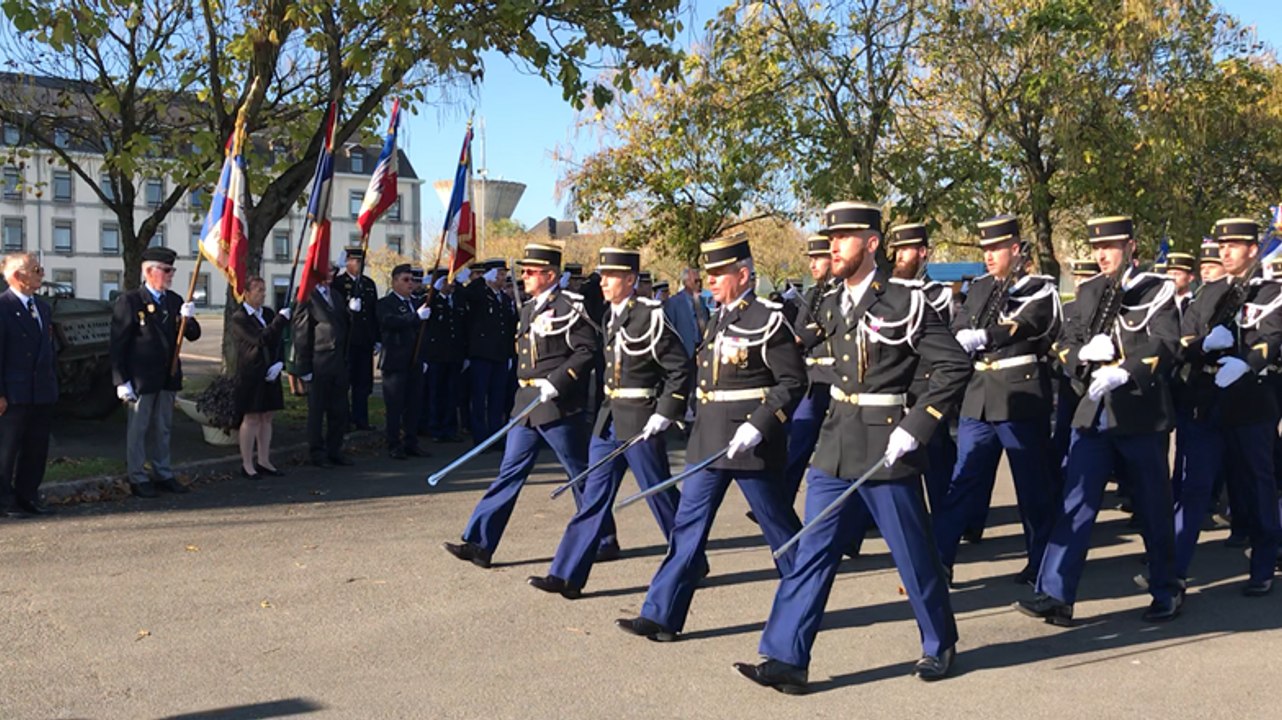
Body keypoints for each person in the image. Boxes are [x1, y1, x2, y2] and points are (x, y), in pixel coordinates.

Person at [735, 201, 972, 694]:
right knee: (813, 551)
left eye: (843, 238)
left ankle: (939, 642)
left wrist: (917, 424)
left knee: (912, 552)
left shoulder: (904, 303)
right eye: (831, 238)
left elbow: (953, 365)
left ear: (872, 243)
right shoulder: (829, 304)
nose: (834, 247)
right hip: (835, 442)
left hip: (886, 444)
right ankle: (786, 657)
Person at [615, 231, 805, 642]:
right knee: (687, 528)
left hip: (750, 444)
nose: (711, 279)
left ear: (744, 274)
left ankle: (805, 600)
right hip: (709, 440)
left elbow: (792, 382)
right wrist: (671, 413)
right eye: (708, 272)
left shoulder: (767, 318)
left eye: (720, 272)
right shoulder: (718, 316)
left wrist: (760, 423)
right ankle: (661, 614)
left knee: (780, 529)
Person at [1016, 216, 1182, 625]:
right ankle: (1056, 593)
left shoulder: (1156, 289)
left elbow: (1166, 343)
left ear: (1131, 246)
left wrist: (1127, 371)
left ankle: (1167, 587)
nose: (1102, 254)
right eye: (1097, 248)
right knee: (1076, 501)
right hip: (1093, 412)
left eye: (1110, 246)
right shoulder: (1089, 291)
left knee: (1152, 505)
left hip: (1140, 412)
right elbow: (1064, 343)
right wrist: (1081, 357)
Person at [528, 247, 695, 598]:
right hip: (608, 420)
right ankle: (566, 574)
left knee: (659, 494)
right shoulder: (608, 316)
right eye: (602, 276)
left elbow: (680, 368)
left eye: (611, 276)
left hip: (640, 418)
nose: (603, 282)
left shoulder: (649, 316)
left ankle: (691, 560)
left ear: (630, 280)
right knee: (593, 497)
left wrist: (665, 411)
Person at [443, 241, 609, 567]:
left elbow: (587, 350)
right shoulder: (529, 307)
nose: (524, 276)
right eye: (524, 271)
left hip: (557, 404)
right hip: (527, 403)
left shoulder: (569, 306)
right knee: (509, 472)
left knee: (579, 474)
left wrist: (558, 381)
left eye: (531, 271)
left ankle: (604, 538)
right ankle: (479, 543)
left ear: (550, 275)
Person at [932, 215, 1061, 585]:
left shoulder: (1039, 289)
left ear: (1015, 249)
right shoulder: (980, 288)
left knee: (1032, 488)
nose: (988, 256)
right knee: (962, 481)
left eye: (996, 249)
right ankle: (939, 561)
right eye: (985, 250)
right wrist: (962, 337)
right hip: (979, 397)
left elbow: (1030, 323)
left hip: (1019, 396)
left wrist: (985, 337)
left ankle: (1041, 566)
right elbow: (960, 325)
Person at [1169, 217, 1281, 596]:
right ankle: (1172, 572)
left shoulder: (1270, 292)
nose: (1225, 252)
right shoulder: (1208, 294)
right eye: (1222, 245)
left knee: (1257, 484)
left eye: (1233, 245)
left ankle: (1263, 564)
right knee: (1194, 488)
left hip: (1250, 400)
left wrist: (1247, 363)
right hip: (1207, 400)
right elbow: (1184, 339)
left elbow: (1271, 337)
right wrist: (1204, 345)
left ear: (1253, 249)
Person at [110, 246, 201, 498]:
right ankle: (137, 476)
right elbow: (118, 344)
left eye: (172, 270)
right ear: (150, 271)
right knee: (138, 429)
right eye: (167, 270)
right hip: (141, 377)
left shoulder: (174, 300)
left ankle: (163, 472)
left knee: (163, 427)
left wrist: (188, 319)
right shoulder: (130, 301)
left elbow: (193, 335)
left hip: (167, 375)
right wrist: (121, 380)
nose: (171, 275)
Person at [779, 234, 837, 506]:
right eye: (811, 259)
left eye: (818, 258)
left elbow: (818, 330)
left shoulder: (842, 293)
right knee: (799, 441)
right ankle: (782, 500)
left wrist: (803, 336)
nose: (813, 264)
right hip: (813, 378)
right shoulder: (812, 294)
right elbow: (800, 329)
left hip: (836, 377)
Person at [0, 253, 58, 517]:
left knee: (36, 448)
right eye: (36, 270)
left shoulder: (42, 308)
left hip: (41, 390)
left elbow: (48, 348)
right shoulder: (3, 307)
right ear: (17, 276)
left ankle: (28, 495)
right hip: (14, 391)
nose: (41, 274)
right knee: (7, 450)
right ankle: (4, 500)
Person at [230, 277, 291, 478]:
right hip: (251, 374)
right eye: (258, 290)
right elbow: (260, 339)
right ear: (246, 293)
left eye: (264, 290)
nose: (263, 294)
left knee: (267, 417)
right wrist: (280, 321)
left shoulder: (268, 313)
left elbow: (278, 341)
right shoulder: (240, 318)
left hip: (270, 371)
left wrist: (280, 362)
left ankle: (264, 460)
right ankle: (247, 463)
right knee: (252, 417)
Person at [292, 266, 353, 468]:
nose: (331, 275)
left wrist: (351, 313)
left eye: (333, 271)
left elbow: (342, 325)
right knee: (317, 410)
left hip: (338, 360)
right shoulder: (306, 294)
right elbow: (301, 330)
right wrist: (304, 366)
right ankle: (317, 452)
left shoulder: (335, 295)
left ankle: (335, 449)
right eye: (327, 271)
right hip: (319, 359)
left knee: (339, 409)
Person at [460, 259, 518, 445]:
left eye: (503, 274)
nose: (503, 278)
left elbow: (508, 329)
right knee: (479, 397)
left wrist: (509, 354)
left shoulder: (504, 299)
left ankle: (495, 435)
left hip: (500, 355)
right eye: (499, 274)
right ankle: (480, 436)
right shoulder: (480, 294)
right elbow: (465, 295)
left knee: (497, 398)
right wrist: (480, 280)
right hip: (482, 354)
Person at [378, 264, 432, 460]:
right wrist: (415, 317)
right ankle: (394, 444)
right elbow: (390, 322)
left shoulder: (417, 303)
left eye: (412, 280)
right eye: (405, 280)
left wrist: (424, 357)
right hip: (395, 362)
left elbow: (423, 334)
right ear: (395, 282)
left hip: (415, 362)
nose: (410, 284)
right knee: (395, 406)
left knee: (414, 405)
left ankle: (411, 442)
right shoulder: (386, 303)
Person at [333, 247, 381, 431]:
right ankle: (344, 421)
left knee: (363, 383)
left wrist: (377, 338)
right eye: (356, 261)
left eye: (361, 261)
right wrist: (348, 308)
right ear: (347, 262)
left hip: (365, 340)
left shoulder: (368, 284)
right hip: (347, 340)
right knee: (345, 382)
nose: (359, 265)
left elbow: (373, 313)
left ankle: (361, 419)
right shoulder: (338, 283)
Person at [424, 268, 467, 443]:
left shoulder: (457, 300)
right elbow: (425, 309)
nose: (452, 285)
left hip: (454, 354)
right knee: (436, 392)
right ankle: (435, 428)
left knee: (452, 393)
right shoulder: (432, 300)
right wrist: (434, 292)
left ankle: (450, 428)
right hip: (436, 355)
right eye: (448, 282)